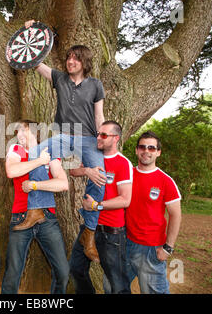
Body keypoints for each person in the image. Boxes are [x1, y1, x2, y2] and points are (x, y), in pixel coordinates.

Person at [14, 20, 106, 264]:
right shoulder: (59, 78)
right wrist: (31, 31)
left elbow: (99, 116)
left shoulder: (96, 84)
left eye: (75, 58)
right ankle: (36, 210)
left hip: (88, 138)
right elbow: (35, 63)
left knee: (101, 177)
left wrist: (102, 139)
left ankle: (89, 233)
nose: (70, 61)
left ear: (84, 62)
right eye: (68, 58)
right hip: (64, 135)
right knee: (36, 154)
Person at [1, 120, 70, 294]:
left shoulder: (50, 153)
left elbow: (63, 184)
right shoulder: (16, 150)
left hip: (47, 218)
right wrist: (39, 161)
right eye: (18, 132)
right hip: (21, 216)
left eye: (25, 131)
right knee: (13, 272)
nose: (20, 135)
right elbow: (12, 171)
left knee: (63, 272)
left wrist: (35, 186)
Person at [69, 121, 133, 294]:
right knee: (76, 269)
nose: (98, 138)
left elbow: (125, 200)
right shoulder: (93, 156)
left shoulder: (123, 163)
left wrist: (96, 206)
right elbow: (72, 171)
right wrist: (87, 171)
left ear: (116, 138)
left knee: (117, 283)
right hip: (89, 228)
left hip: (111, 232)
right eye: (98, 134)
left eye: (103, 135)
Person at [125, 131, 182, 294]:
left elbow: (176, 215)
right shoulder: (127, 175)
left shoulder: (166, 181)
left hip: (150, 249)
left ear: (158, 152)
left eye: (151, 148)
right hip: (124, 243)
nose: (146, 151)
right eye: (142, 147)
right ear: (137, 150)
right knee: (112, 286)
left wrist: (168, 248)